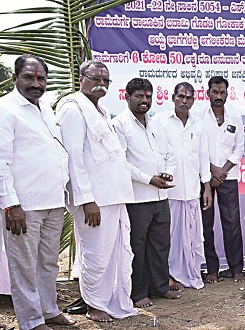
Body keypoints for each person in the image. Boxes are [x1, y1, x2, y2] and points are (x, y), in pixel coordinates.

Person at [57, 60, 138, 323]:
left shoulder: (102, 112)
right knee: (96, 254)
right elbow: (74, 159)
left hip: (113, 196)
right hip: (94, 200)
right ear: (81, 78)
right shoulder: (73, 109)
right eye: (95, 78)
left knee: (114, 251)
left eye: (105, 80)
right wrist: (86, 200)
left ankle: (112, 299)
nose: (101, 84)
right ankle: (94, 304)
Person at [0, 54, 74, 330]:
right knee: (23, 266)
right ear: (14, 78)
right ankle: (31, 321)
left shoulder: (45, 108)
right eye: (29, 77)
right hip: (24, 205)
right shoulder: (6, 109)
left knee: (48, 262)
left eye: (41, 78)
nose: (36, 83)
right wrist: (10, 204)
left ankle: (49, 309)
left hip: (53, 201)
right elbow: (0, 160)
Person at [112, 78, 181, 308]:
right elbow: (121, 163)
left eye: (148, 96)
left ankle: (160, 287)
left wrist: (168, 173)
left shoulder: (155, 124)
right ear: (127, 97)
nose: (144, 101)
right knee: (137, 247)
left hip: (161, 197)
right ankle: (139, 293)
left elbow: (170, 153)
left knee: (160, 245)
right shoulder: (119, 124)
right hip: (138, 198)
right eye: (139, 96)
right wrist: (149, 179)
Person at [153, 82, 213, 290]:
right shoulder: (159, 121)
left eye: (188, 98)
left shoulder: (198, 124)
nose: (184, 101)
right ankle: (169, 276)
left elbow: (203, 158)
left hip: (192, 192)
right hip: (169, 191)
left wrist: (206, 187)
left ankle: (189, 272)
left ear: (194, 100)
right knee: (168, 237)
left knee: (191, 236)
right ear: (172, 97)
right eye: (180, 96)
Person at [198, 76, 245, 283]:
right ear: (207, 93)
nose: (218, 96)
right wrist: (212, 171)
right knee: (205, 224)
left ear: (227, 93)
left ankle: (236, 269)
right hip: (204, 177)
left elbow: (240, 148)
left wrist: (222, 172)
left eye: (222, 93)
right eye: (215, 92)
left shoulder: (235, 115)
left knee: (232, 223)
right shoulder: (197, 115)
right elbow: (196, 147)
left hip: (229, 176)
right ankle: (212, 270)